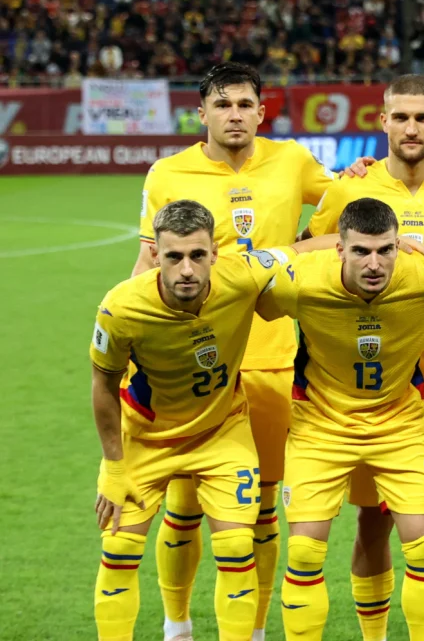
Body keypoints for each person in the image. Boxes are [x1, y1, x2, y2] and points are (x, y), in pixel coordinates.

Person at [256, 199, 424, 641]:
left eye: (386, 250)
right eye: (361, 251)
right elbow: (230, 280)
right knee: (303, 553)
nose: (374, 264)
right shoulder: (299, 281)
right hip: (320, 426)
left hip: (399, 425)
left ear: (400, 247)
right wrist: (298, 250)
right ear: (339, 249)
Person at [135, 61, 335, 641]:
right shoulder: (168, 173)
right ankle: (177, 624)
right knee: (185, 505)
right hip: (192, 361)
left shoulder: (292, 160)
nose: (235, 115)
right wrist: (131, 341)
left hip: (272, 356)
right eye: (222, 105)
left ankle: (254, 630)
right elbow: (148, 263)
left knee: (263, 507)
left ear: (262, 112)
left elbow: (353, 203)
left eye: (245, 104)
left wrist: (307, 239)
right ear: (201, 113)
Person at [302, 74, 424, 641]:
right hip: (375, 391)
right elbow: (307, 251)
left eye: (422, 117)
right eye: (400, 117)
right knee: (374, 520)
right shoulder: (349, 190)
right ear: (382, 120)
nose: (411, 128)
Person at [90, 200, 329, 641]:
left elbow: (304, 249)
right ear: (155, 255)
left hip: (222, 433)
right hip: (147, 437)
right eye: (174, 256)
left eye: (197, 255)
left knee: (237, 546)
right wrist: (114, 465)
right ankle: (176, 629)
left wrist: (396, 245)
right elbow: (103, 386)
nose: (187, 269)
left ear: (215, 254)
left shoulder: (242, 274)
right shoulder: (120, 308)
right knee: (119, 547)